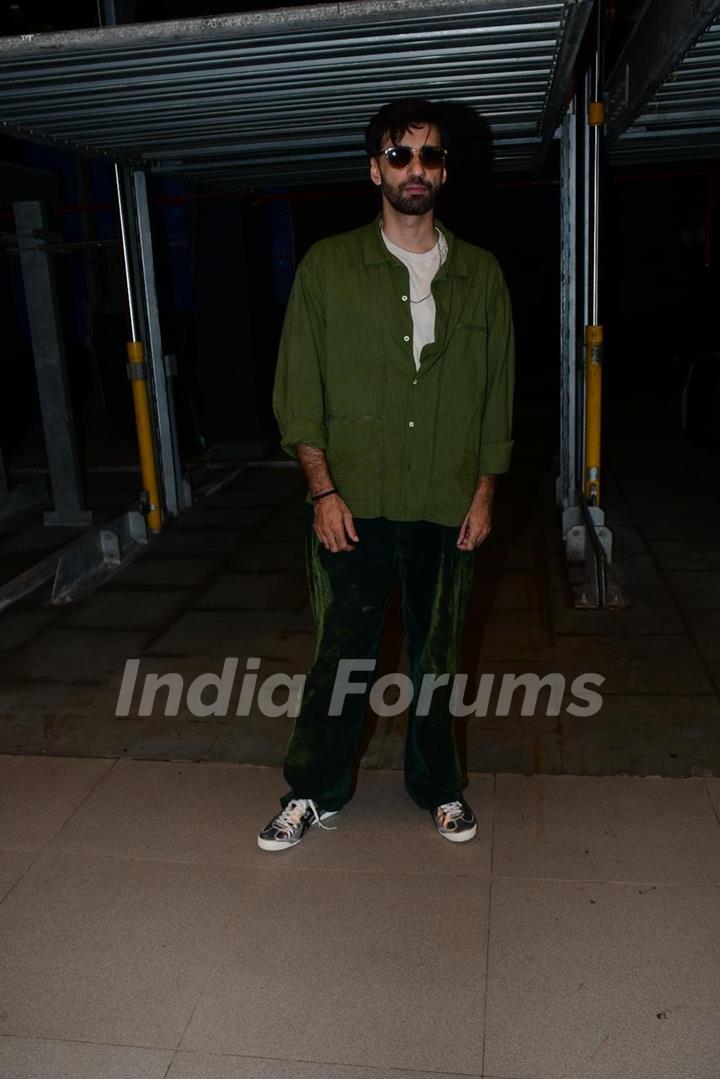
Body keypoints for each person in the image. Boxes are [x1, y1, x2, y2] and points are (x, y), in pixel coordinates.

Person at [258, 98, 514, 851]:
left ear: (444, 171)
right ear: (375, 168)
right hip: (354, 502)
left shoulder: (482, 276)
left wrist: (486, 489)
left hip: (446, 497)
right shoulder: (329, 268)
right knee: (342, 655)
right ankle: (312, 789)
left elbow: (496, 393)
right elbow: (297, 393)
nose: (415, 170)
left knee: (439, 654)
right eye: (400, 156)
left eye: (430, 156)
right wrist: (322, 491)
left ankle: (438, 786)